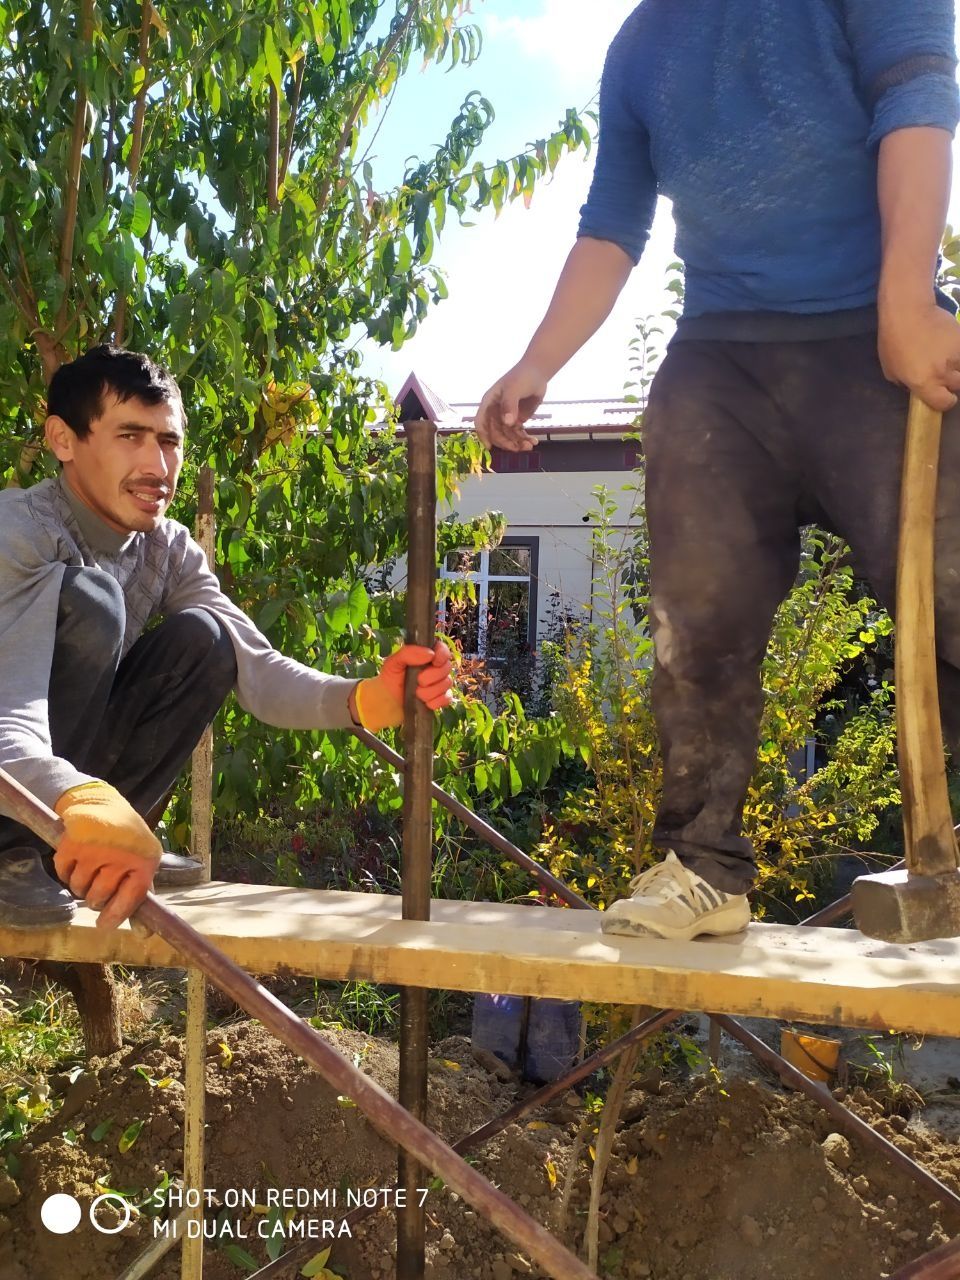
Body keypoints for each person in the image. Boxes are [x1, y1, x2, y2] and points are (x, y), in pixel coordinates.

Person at [475, 0, 960, 942]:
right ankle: (703, 867)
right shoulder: (644, 44)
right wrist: (537, 364)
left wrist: (906, 295)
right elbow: (612, 224)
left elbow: (920, 98)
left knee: (949, 594)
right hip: (723, 357)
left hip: (876, 333)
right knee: (698, 623)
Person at [0, 345, 453, 932]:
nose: (157, 468)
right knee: (94, 602)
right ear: (64, 440)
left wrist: (361, 699)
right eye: (129, 437)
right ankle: (15, 854)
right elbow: (10, 714)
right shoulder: (20, 533)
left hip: (50, 785)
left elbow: (252, 665)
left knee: (205, 639)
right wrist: (80, 798)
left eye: (168, 442)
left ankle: (82, 850)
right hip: (11, 757)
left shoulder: (167, 548)